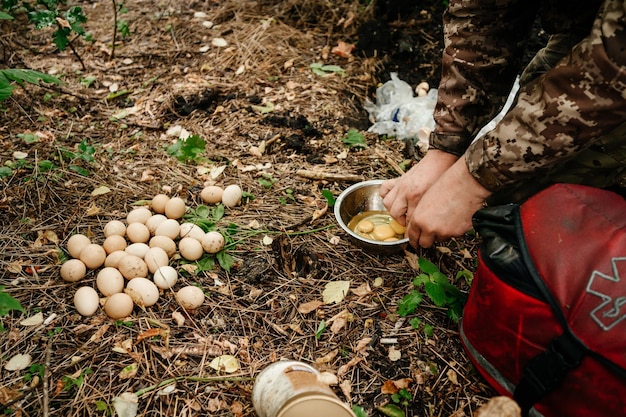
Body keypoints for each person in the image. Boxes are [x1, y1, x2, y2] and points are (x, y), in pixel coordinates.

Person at [380, 0, 626, 249]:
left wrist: (471, 181)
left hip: (615, 59)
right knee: (516, 176)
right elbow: (483, 15)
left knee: (544, 198)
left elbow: (612, 70)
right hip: (588, 28)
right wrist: (445, 147)